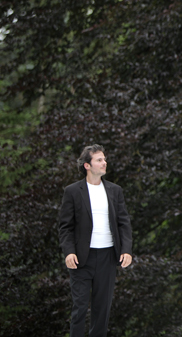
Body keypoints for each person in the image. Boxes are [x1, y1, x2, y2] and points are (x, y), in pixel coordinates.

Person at [58, 144, 133, 337]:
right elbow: (65, 227)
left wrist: (126, 250)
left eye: (104, 159)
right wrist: (69, 252)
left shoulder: (115, 190)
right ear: (87, 165)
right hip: (81, 258)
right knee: (80, 307)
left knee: (102, 309)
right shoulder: (72, 191)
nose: (104, 162)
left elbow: (124, 223)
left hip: (108, 257)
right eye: (99, 160)